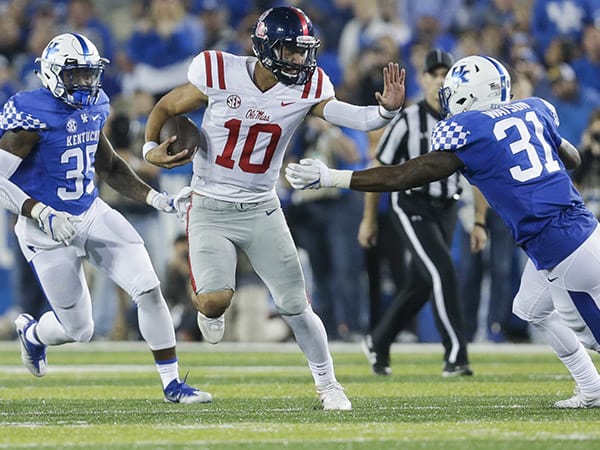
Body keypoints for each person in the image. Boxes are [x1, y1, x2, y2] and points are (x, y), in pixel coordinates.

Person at [286, 54, 600, 408]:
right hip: (577, 233)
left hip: (562, 248)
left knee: (590, 333)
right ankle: (591, 387)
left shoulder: (471, 132)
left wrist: (332, 176)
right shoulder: (534, 109)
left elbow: (404, 175)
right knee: (530, 309)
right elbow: (571, 160)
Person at [142, 6, 405, 410]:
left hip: (262, 207)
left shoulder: (308, 85)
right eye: (292, 51)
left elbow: (352, 117)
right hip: (209, 203)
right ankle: (207, 311)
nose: (301, 60)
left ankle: (329, 384)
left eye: (304, 51)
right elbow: (166, 107)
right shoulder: (219, 70)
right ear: (266, 48)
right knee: (214, 302)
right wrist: (149, 150)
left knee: (295, 305)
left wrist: (385, 111)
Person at [0, 32, 210, 404]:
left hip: (91, 211)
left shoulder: (95, 104)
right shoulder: (31, 114)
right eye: (74, 75)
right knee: (79, 329)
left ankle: (173, 384)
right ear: (51, 74)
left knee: (148, 287)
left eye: (88, 74)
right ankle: (33, 336)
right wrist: (40, 212)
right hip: (44, 229)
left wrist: (156, 198)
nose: (84, 83)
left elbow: (109, 165)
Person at [358, 49, 477, 377]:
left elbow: (477, 173)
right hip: (411, 204)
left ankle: (378, 341)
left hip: (448, 206)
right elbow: (380, 166)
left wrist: (479, 220)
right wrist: (369, 218)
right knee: (442, 272)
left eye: (445, 74)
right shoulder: (409, 118)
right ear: (424, 79)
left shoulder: (464, 120)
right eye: (434, 74)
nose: (440, 80)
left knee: (422, 283)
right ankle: (456, 354)